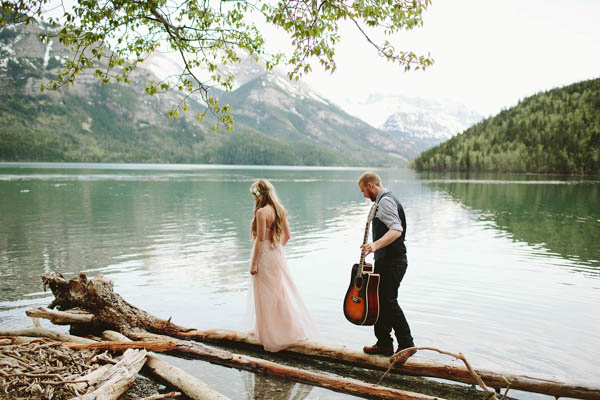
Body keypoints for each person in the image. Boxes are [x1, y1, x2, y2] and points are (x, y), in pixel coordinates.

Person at [247, 178, 319, 352]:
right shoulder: (280, 210)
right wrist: (276, 249)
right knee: (278, 294)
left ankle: (268, 335)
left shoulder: (262, 212)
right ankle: (287, 331)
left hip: (264, 255)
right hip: (276, 255)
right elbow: (288, 236)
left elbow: (260, 240)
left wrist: (254, 263)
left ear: (259, 195)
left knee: (264, 296)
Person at [357, 171, 416, 363]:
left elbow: (396, 229)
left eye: (363, 190)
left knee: (388, 301)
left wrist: (374, 246)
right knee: (380, 300)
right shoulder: (381, 201)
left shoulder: (385, 201)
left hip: (393, 261)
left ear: (371, 185)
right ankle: (384, 343)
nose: (364, 194)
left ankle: (407, 344)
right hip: (386, 260)